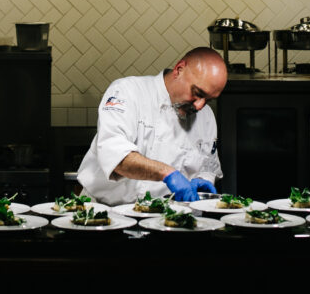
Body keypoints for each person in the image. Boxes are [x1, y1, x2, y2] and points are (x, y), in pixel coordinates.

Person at [76, 46, 228, 205]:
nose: (199, 106)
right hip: (104, 209)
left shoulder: (207, 116)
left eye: (208, 100)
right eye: (198, 93)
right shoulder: (127, 92)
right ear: (179, 69)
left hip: (164, 216)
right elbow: (116, 157)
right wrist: (168, 173)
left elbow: (208, 167)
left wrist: (202, 180)